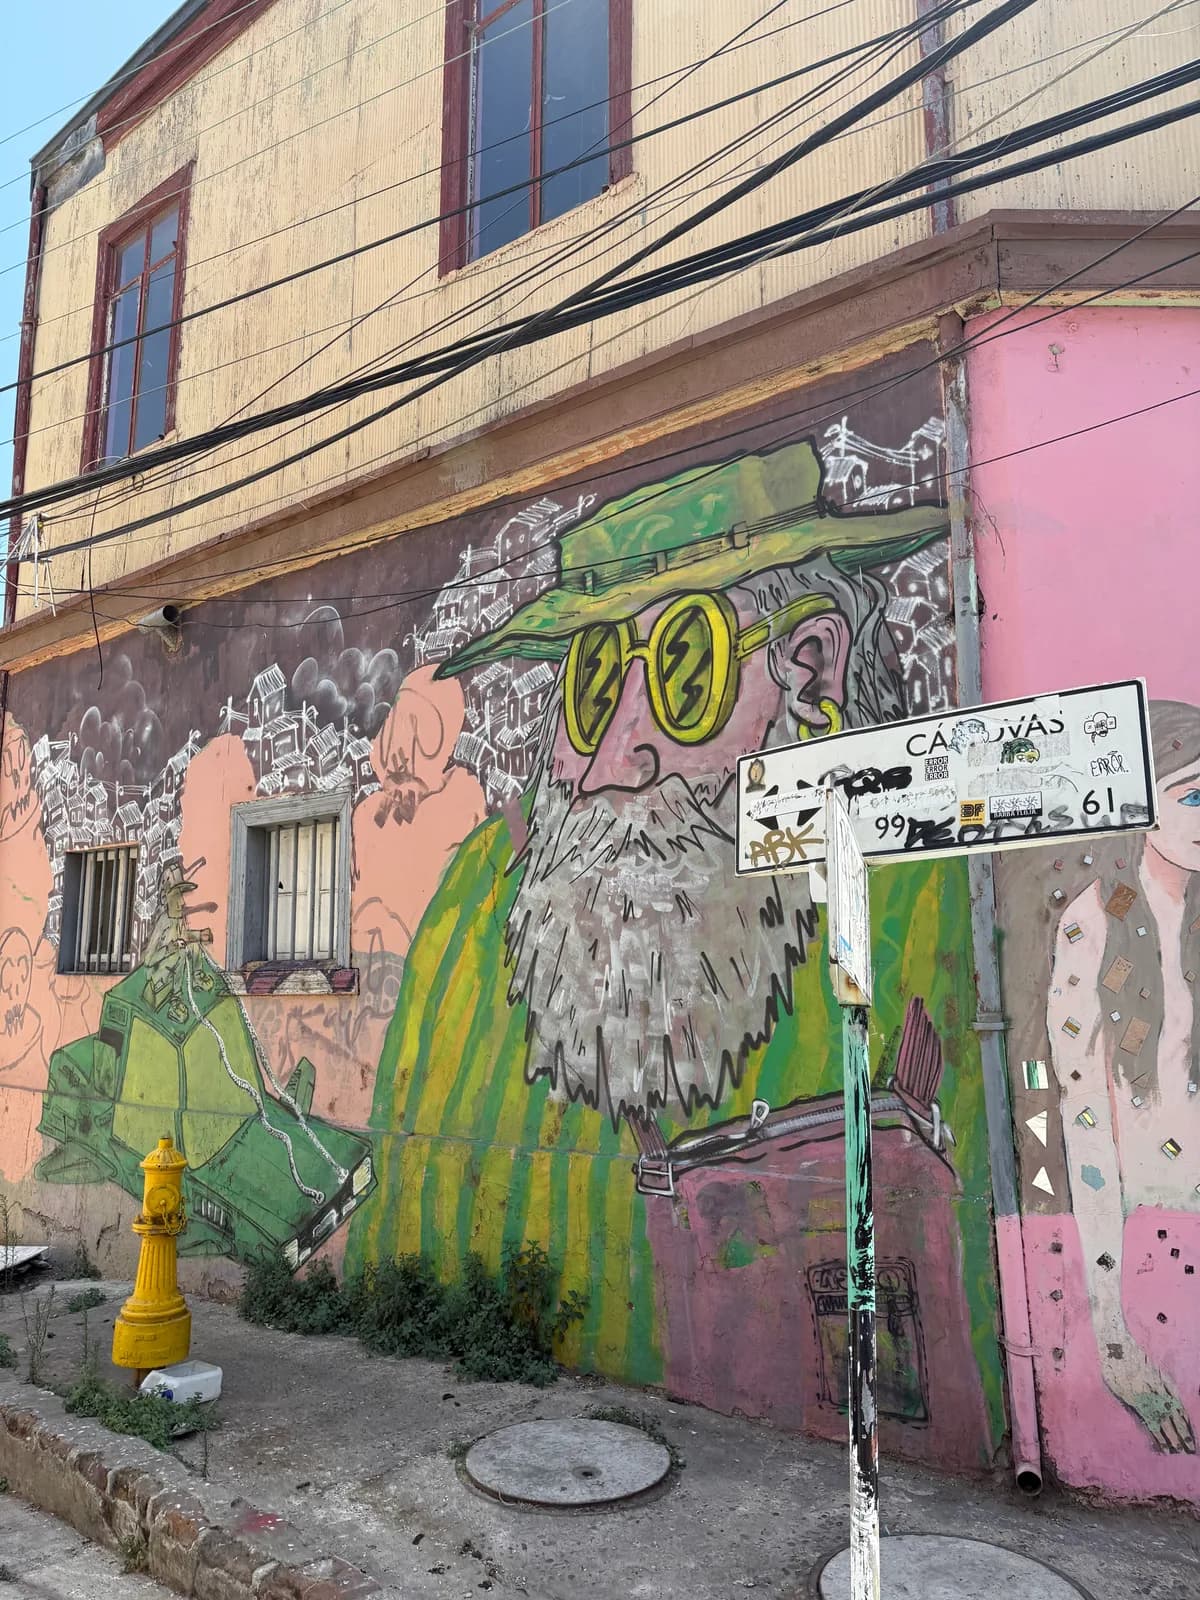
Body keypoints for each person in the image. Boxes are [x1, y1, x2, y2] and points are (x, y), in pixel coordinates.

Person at [1037, 701, 1200, 1455]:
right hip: (1144, 1239)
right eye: (1192, 795)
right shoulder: (1095, 920)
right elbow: (1082, 1119)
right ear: (1142, 804)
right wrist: (1111, 1333)